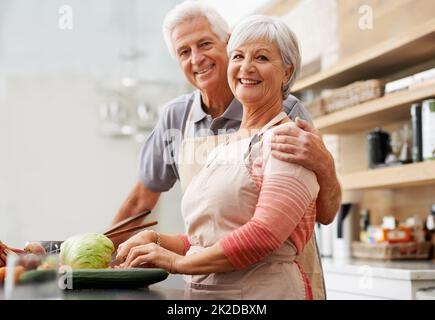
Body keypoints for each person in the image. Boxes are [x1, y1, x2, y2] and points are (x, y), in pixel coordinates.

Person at [112, 1, 341, 299]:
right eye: (184, 51)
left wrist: (325, 165)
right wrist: (113, 251)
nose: (197, 58)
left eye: (204, 43)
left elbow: (277, 230)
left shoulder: (288, 120)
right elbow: (197, 230)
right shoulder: (179, 118)